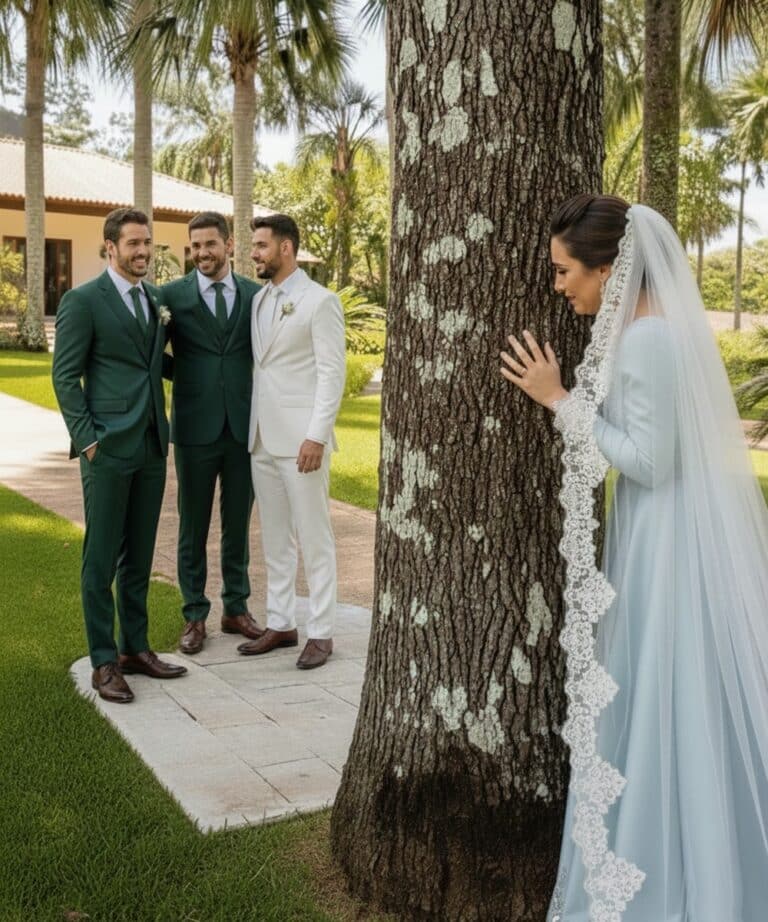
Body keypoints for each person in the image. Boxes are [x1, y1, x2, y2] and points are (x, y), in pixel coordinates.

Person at [501, 194, 768, 921]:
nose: (559, 287)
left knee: (664, 687)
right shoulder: (652, 330)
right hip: (663, 530)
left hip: (666, 539)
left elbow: (649, 461)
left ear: (610, 268)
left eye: (565, 272)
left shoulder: (648, 338)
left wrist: (558, 399)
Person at [52, 207, 187, 704]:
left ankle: (135, 648)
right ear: (110, 247)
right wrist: (88, 440)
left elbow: (159, 363)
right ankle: (104, 661)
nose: (143, 252)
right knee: (101, 557)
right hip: (106, 447)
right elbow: (64, 376)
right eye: (133, 243)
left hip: (152, 443)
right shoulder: (82, 300)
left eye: (147, 243)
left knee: (140, 555)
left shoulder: (155, 299)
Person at [238, 214, 346, 669]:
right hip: (261, 438)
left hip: (303, 442)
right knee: (275, 540)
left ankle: (321, 631)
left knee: (314, 538)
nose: (255, 254)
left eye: (261, 246)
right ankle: (281, 623)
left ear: (286, 248)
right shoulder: (260, 300)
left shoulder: (320, 302)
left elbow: (331, 373)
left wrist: (316, 436)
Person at [162, 211, 263, 655]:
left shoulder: (256, 296)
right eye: (195, 246)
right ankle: (194, 614)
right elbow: (149, 355)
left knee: (238, 523)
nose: (202, 253)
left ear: (228, 244)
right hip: (194, 429)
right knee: (193, 525)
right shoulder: (169, 297)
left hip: (243, 429)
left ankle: (236, 608)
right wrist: (183, 374)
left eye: (209, 244)